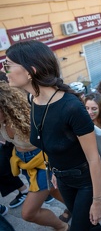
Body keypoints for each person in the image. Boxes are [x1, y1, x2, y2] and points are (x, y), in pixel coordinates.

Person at [4, 40, 101, 231]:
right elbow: (47, 142)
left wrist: (97, 201)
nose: (4, 71)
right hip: (62, 179)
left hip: (86, 180)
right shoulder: (33, 99)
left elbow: (94, 158)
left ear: (31, 71)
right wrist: (53, 171)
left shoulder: (71, 107)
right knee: (84, 225)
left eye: (8, 65)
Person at [0, 82, 68, 231]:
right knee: (54, 190)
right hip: (24, 163)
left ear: (5, 106)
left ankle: (63, 227)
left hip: (43, 161)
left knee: (28, 213)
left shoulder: (25, 118)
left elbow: (53, 138)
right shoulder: (1, 122)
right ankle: (80, 211)